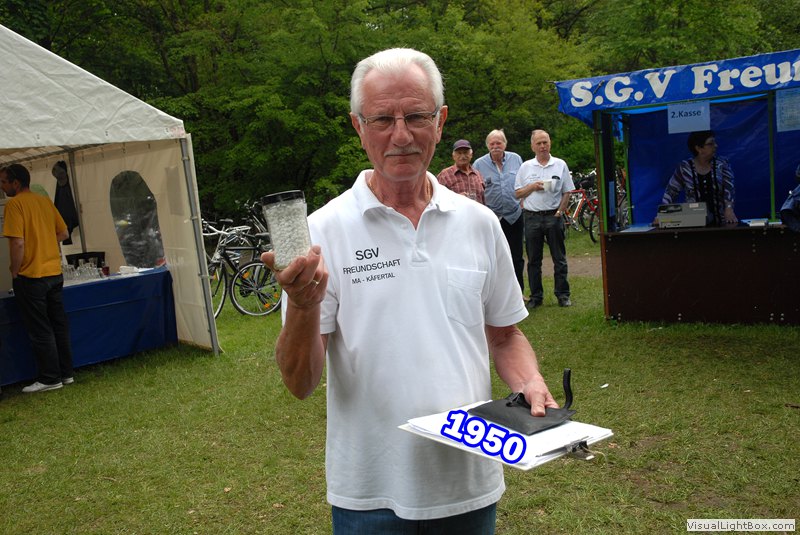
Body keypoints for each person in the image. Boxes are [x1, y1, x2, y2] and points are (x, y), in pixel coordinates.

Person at [261, 48, 557, 533]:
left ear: (440, 121)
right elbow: (300, 383)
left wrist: (529, 381)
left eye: (416, 116)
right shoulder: (324, 232)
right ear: (358, 127)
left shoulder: (480, 223)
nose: (401, 136)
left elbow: (505, 335)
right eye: (382, 120)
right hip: (369, 493)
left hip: (467, 483)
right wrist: (302, 306)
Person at [0, 164, 74, 393]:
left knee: (40, 328)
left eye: (3, 182)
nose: (1, 187)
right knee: (58, 325)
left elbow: (17, 242)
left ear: (16, 183)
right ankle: (66, 373)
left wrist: (14, 270)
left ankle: (50, 378)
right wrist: (44, 241)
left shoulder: (14, 205)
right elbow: (64, 232)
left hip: (31, 275)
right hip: (54, 272)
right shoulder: (44, 201)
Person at [514, 129, 574, 308]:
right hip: (532, 217)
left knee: (559, 258)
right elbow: (517, 193)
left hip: (553, 216)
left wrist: (560, 212)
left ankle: (563, 295)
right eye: (538, 143)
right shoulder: (526, 167)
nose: (542, 146)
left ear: (550, 143)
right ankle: (536, 297)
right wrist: (532, 187)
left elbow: (567, 191)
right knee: (533, 260)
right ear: (532, 146)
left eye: (545, 142)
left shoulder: (560, 164)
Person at [473, 130, 525, 292]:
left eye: (499, 143)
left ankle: (518, 292)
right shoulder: (479, 164)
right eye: (492, 143)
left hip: (514, 215)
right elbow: (476, 190)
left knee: (516, 256)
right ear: (487, 145)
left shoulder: (516, 159)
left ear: (505, 144)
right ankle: (497, 294)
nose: (495, 146)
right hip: (493, 217)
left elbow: (524, 182)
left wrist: (523, 202)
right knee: (493, 257)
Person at [661, 130, 738, 226]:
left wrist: (729, 209)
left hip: (720, 222)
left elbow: (729, 189)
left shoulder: (722, 164)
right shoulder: (685, 168)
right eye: (711, 144)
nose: (716, 146)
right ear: (698, 148)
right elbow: (670, 192)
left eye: (715, 142)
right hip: (693, 223)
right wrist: (662, 216)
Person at [436, 139, 485, 203]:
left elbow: (483, 199)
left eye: (465, 152)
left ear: (471, 155)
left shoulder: (478, 175)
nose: (463, 156)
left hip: (477, 209)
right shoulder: (445, 175)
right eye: (459, 153)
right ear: (453, 156)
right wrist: (456, 198)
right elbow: (437, 199)